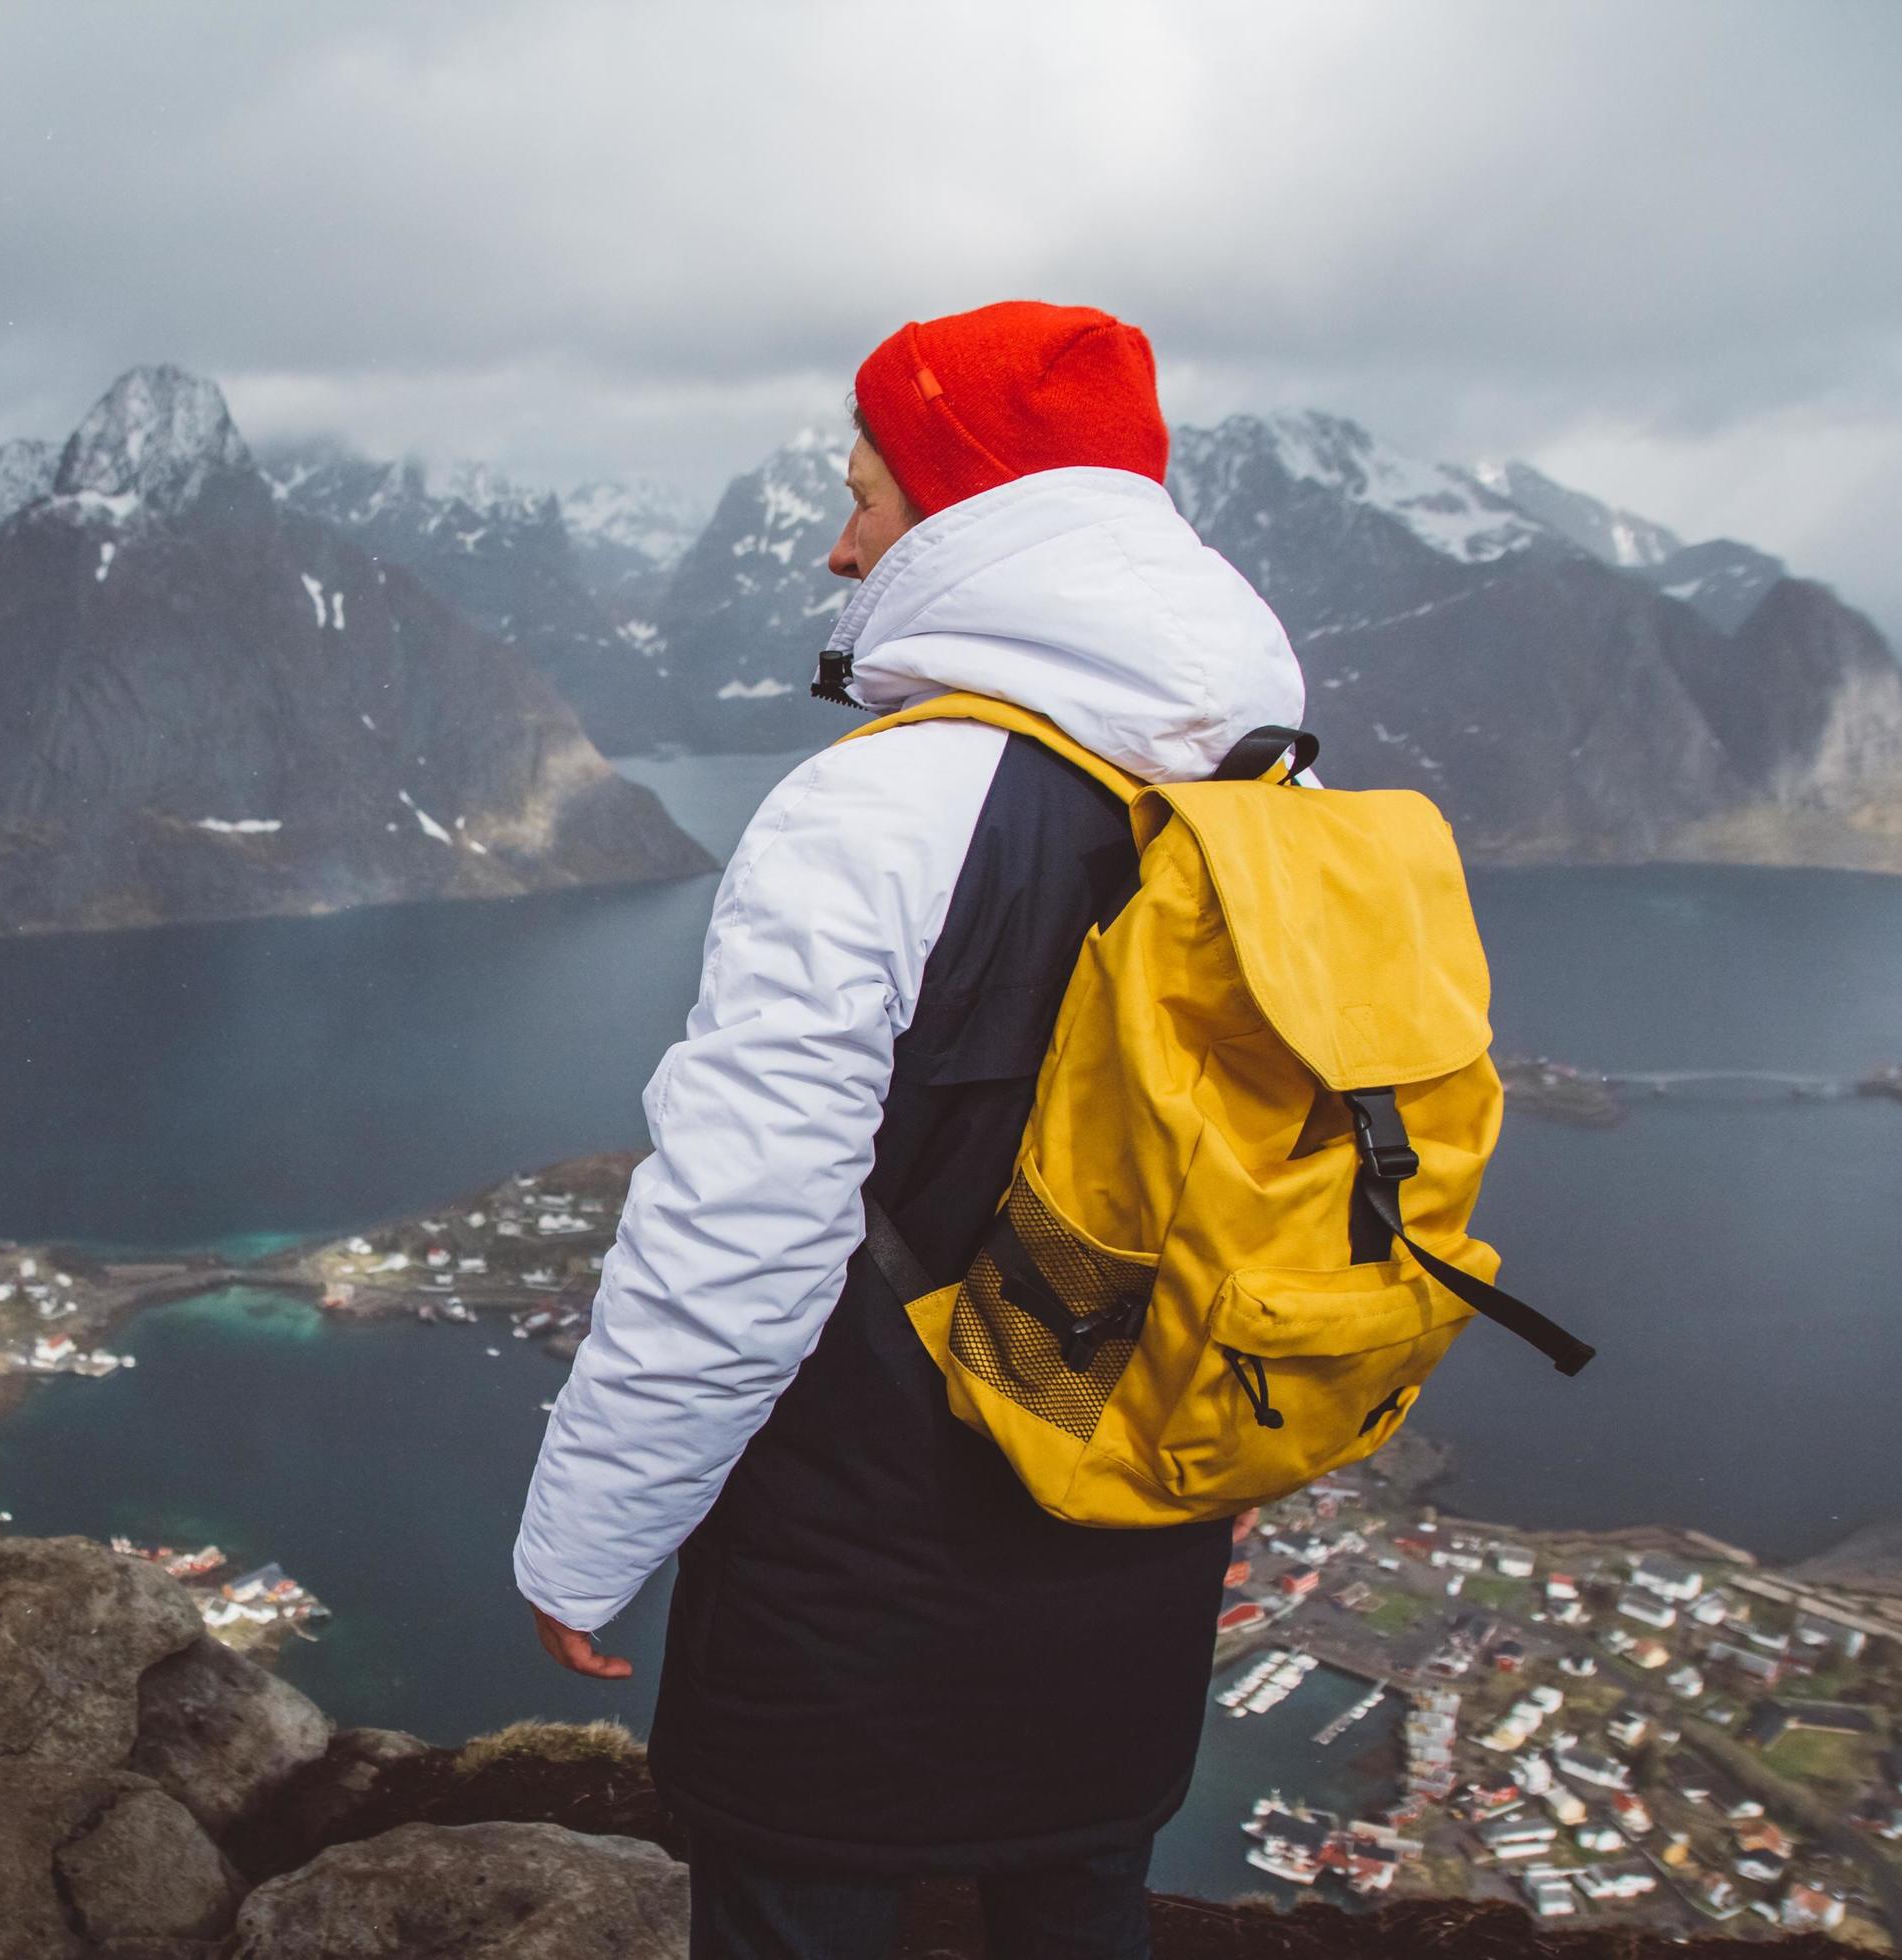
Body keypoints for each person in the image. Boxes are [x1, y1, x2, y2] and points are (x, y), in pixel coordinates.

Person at [513, 300, 1307, 1959]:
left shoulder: (879, 808)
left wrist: (588, 1541)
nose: (835, 543)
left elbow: (742, 1231)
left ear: (969, 508)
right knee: (1078, 1900)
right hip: (1131, 1530)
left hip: (856, 1570)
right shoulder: (1263, 798)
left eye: (866, 493)